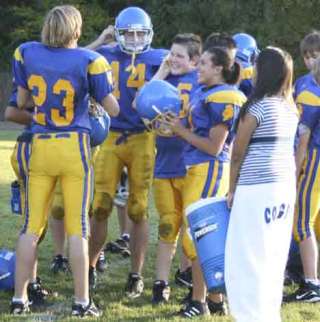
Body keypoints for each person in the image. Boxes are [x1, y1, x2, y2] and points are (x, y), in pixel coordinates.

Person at [10, 5, 119, 317]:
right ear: (77, 30)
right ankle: (82, 302)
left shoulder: (27, 52)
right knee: (77, 228)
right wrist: (93, 97)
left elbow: (21, 102)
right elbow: (113, 110)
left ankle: (20, 299)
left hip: (40, 145)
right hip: (74, 146)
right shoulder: (91, 61)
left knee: (31, 226)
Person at [86, 6, 167, 297]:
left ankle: (136, 274)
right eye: (128, 33)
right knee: (100, 206)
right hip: (110, 135)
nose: (133, 39)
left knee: (138, 208)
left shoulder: (161, 58)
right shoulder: (103, 54)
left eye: (139, 33)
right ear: (117, 33)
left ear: (149, 34)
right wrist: (99, 39)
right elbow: (72, 58)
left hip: (143, 137)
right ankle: (91, 267)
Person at [166, 46, 245, 317]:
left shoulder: (224, 96)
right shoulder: (206, 93)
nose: (198, 68)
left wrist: (181, 131)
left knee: (202, 236)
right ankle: (213, 300)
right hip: (197, 168)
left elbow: (214, 147)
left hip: (210, 168)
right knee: (199, 235)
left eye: (204, 64)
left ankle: (199, 302)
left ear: (219, 68)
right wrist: (173, 127)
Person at [225, 47, 298, 322]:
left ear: (262, 72)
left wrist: (232, 188)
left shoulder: (256, 107)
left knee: (246, 253)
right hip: (283, 186)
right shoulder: (290, 108)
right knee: (274, 253)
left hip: (256, 188)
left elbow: (237, 154)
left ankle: (249, 314)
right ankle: (268, 313)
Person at [150, 33, 201, 304]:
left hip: (191, 166)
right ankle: (160, 283)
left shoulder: (200, 82)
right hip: (164, 164)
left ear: (195, 61)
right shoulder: (164, 78)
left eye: (179, 55)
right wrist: (161, 70)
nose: (173, 59)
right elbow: (138, 104)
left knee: (192, 229)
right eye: (171, 54)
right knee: (168, 225)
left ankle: (194, 279)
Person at [284, 31, 320, 287]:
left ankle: (311, 282)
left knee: (303, 221)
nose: (310, 61)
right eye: (306, 57)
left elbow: (305, 136)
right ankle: (301, 271)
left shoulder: (311, 88)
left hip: (312, 155)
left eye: (315, 56)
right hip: (305, 150)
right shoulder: (302, 83)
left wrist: (296, 168)